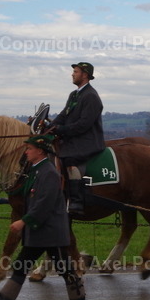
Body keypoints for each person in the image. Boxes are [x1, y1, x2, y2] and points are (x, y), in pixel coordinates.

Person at [0, 135, 87, 300]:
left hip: (51, 233)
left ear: (40, 151)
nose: (26, 151)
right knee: (20, 267)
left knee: (66, 271)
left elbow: (44, 203)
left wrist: (23, 221)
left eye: (29, 148)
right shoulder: (36, 171)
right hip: (39, 232)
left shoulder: (49, 173)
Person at [48, 62, 105, 214]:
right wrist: (50, 127)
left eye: (75, 71)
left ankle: (77, 201)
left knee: (69, 158)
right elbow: (63, 115)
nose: (72, 74)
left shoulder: (91, 96)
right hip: (74, 138)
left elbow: (83, 125)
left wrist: (62, 130)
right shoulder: (74, 95)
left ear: (85, 75)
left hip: (88, 141)